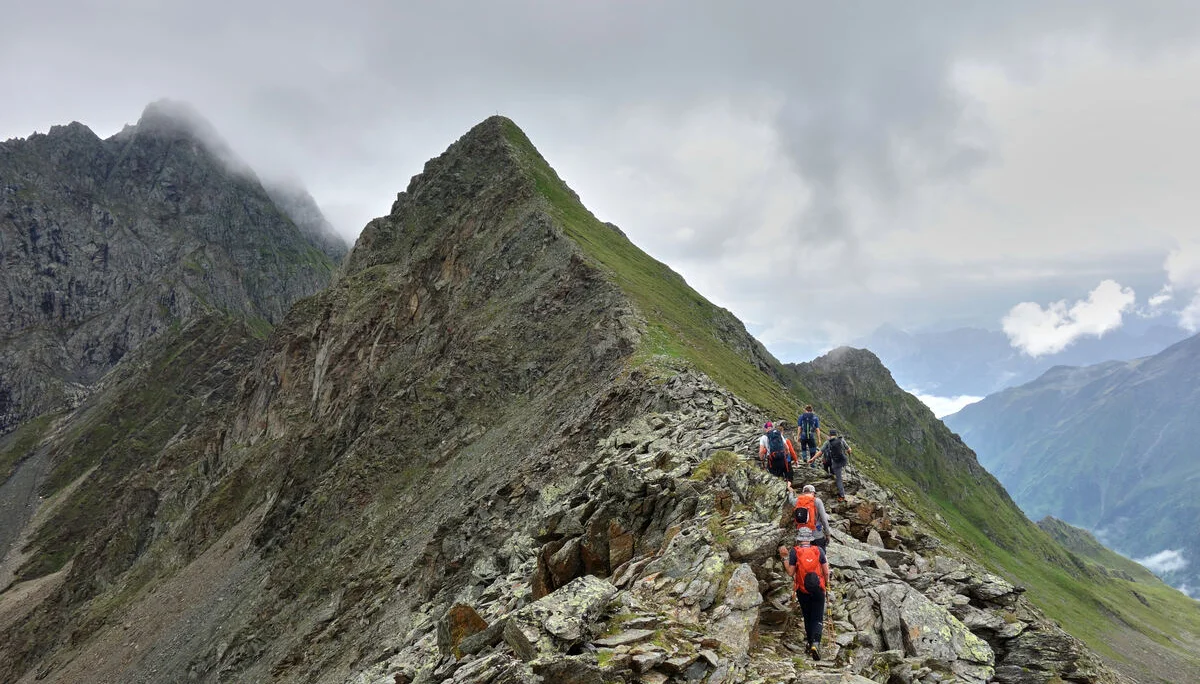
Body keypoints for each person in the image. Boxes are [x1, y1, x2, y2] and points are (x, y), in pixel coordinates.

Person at [779, 526, 830, 660]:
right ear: (810, 539)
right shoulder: (819, 550)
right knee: (818, 617)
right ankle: (816, 643)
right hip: (818, 589)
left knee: (808, 617)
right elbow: (826, 571)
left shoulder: (795, 552)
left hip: (803, 590)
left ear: (799, 539)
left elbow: (790, 573)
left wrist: (784, 558)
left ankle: (809, 643)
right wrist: (827, 584)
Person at [785, 482, 831, 548]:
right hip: (817, 535)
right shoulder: (817, 501)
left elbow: (790, 500)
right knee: (820, 555)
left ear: (803, 492)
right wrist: (828, 534)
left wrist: (791, 492)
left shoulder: (797, 501)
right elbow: (824, 519)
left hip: (803, 536)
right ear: (813, 492)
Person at [809, 429, 851, 501]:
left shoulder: (828, 442)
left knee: (839, 479)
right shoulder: (841, 440)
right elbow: (849, 449)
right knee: (838, 473)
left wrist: (813, 459)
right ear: (836, 434)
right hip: (843, 460)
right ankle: (841, 490)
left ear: (829, 435)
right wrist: (849, 452)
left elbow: (820, 452)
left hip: (835, 462)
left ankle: (842, 495)